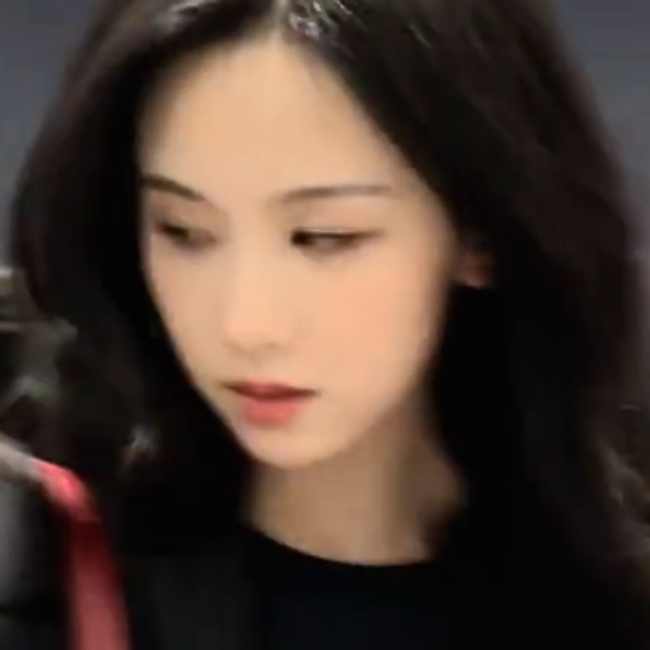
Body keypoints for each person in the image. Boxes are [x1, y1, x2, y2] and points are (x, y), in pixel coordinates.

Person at [1, 0, 650, 648]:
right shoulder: (47, 563)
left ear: (480, 231)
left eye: (324, 237)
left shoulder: (610, 584)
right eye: (184, 231)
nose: (245, 324)